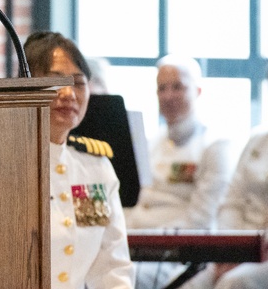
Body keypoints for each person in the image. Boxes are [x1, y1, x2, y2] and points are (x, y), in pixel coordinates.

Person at [24, 31, 134, 289]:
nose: (69, 93)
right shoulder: (2, 165)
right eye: (56, 81)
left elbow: (111, 265)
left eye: (78, 82)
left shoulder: (94, 168)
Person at [126, 55, 234, 288]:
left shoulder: (215, 145)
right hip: (134, 245)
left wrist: (149, 243)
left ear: (198, 91)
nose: (168, 96)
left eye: (178, 87)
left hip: (179, 254)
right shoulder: (150, 142)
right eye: (161, 88)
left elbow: (200, 220)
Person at [177, 129, 268, 289]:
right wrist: (230, 251)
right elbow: (232, 201)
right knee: (188, 283)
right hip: (242, 246)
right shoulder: (258, 140)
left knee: (235, 282)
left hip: (264, 253)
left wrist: (249, 254)